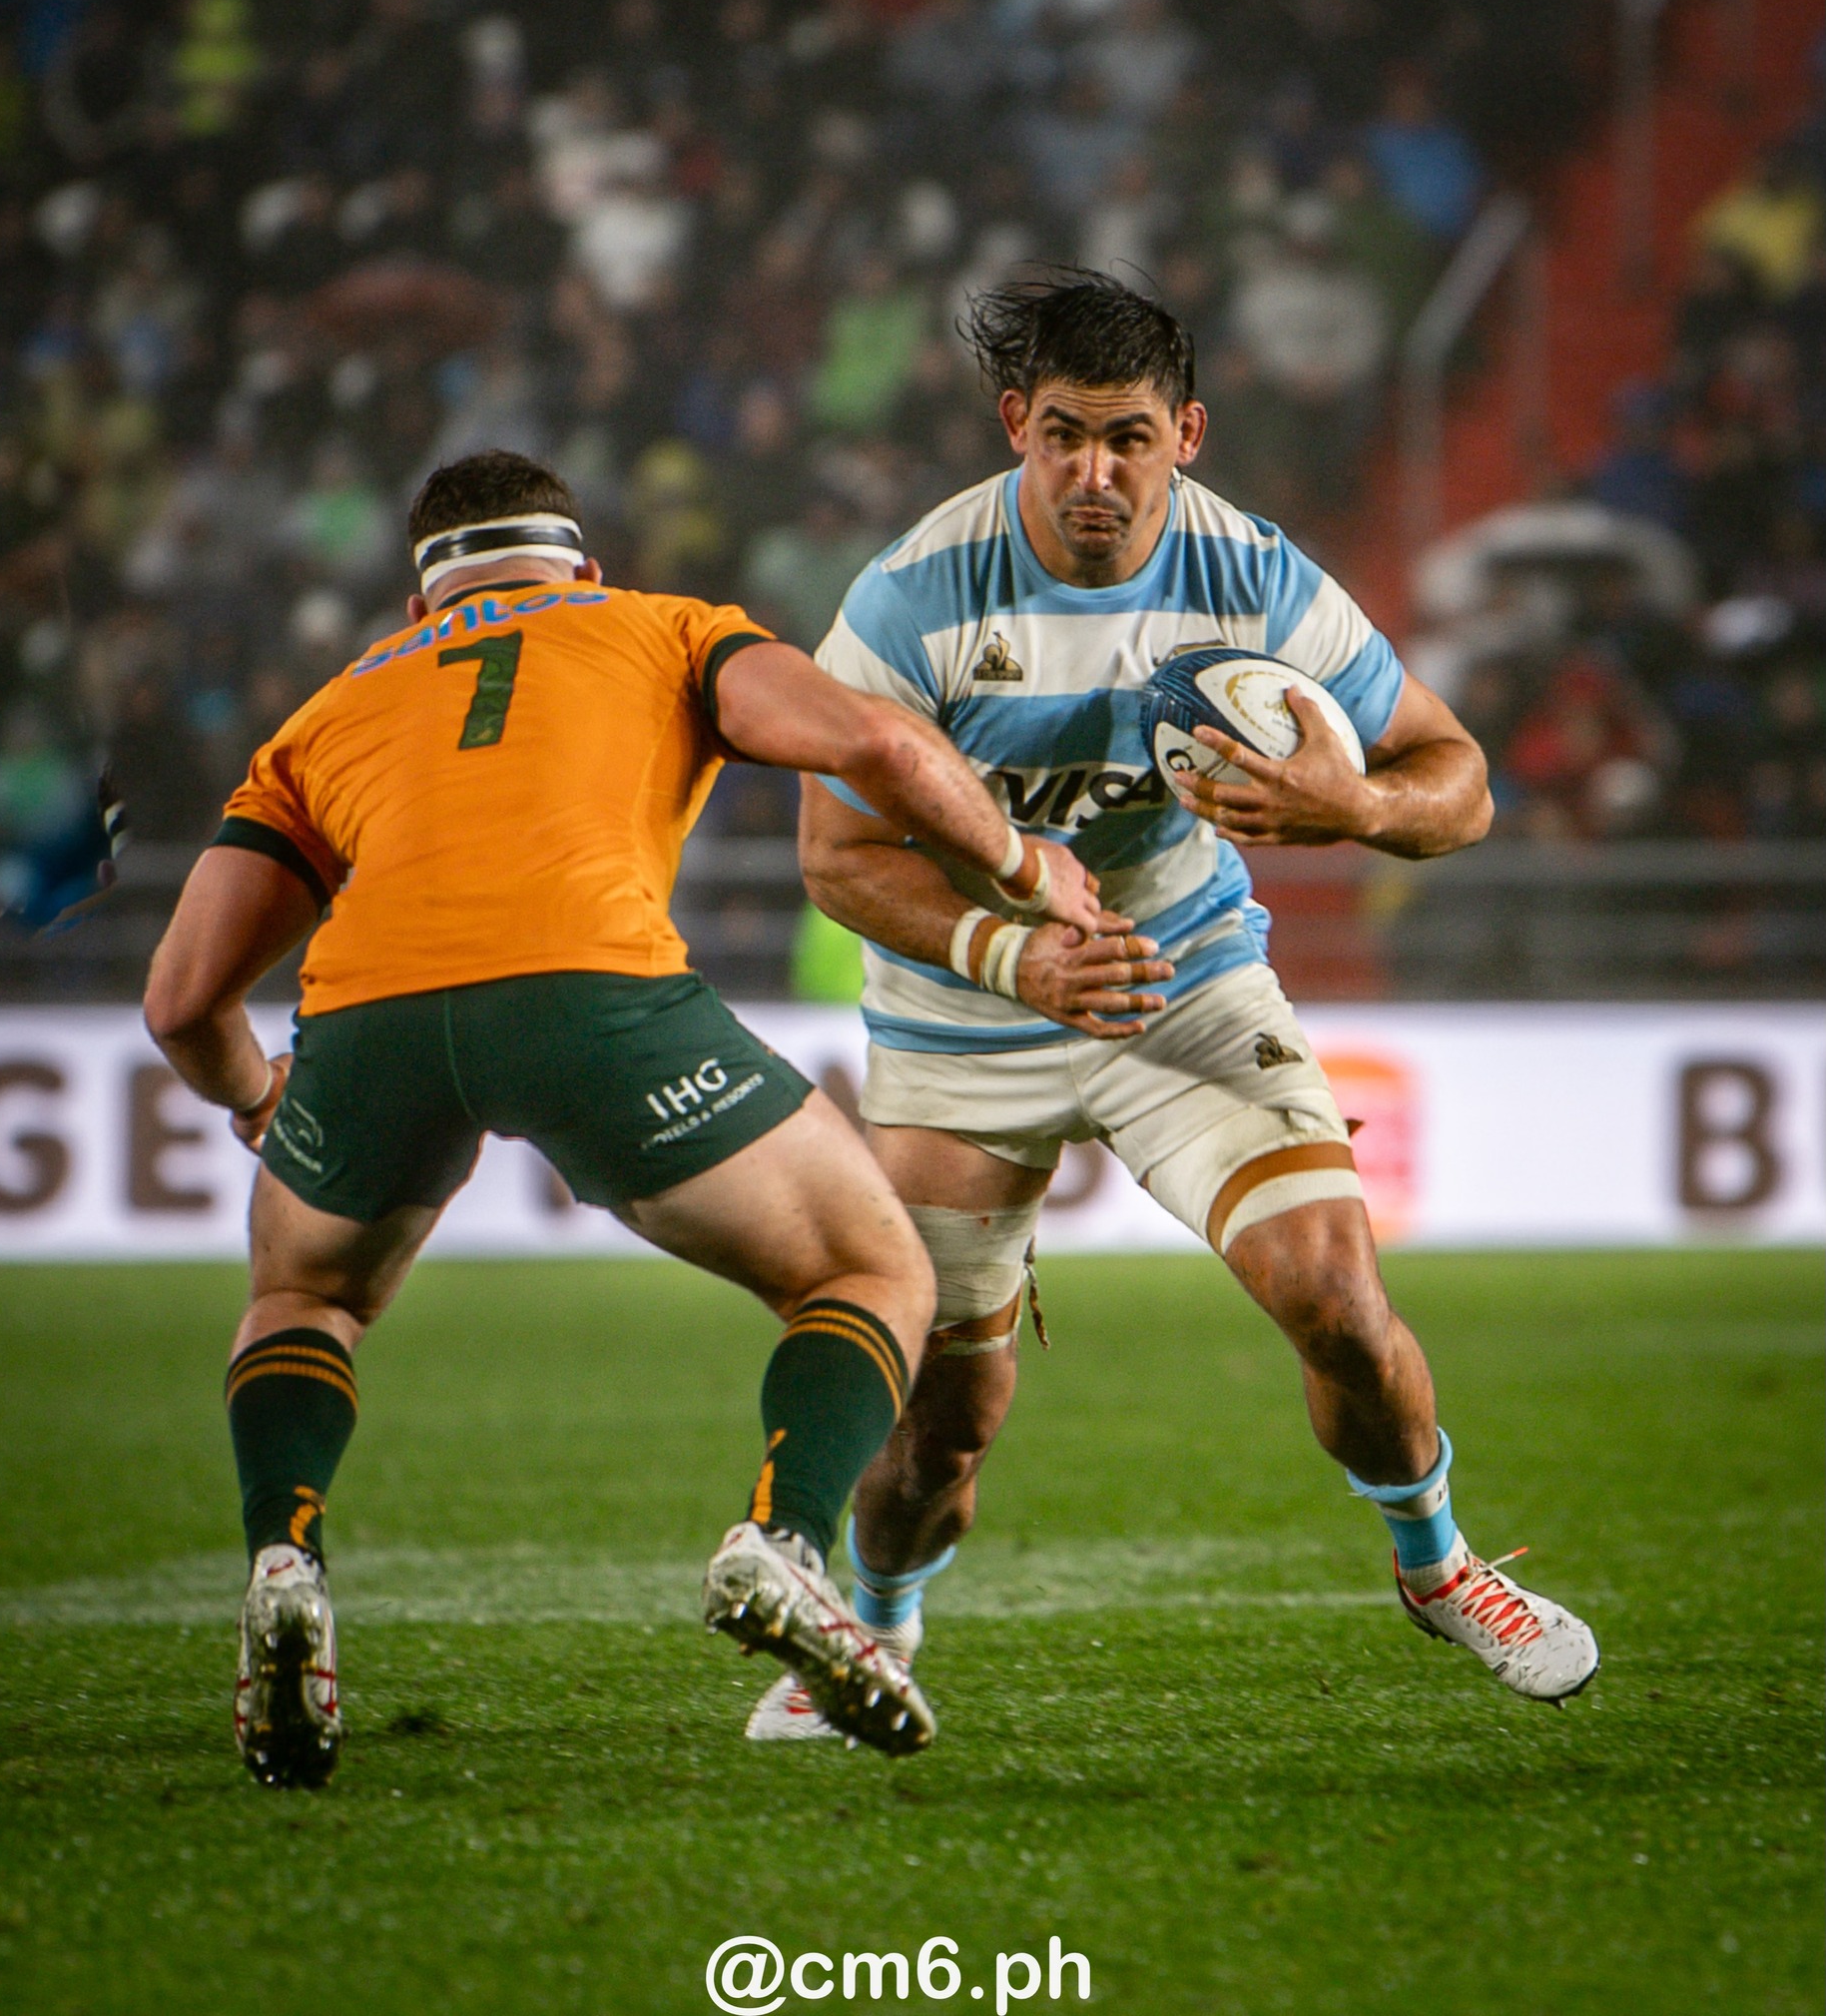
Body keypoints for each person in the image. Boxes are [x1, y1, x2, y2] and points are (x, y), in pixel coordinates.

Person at [143, 448, 1104, 1786]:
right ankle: (779, 1542)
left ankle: (285, 1559)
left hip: (365, 1017)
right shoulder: (661, 627)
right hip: (589, 994)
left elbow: (183, 998)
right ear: (577, 563)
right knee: (869, 1266)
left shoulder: (326, 711)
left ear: (426, 598)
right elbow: (876, 743)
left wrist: (261, 1098)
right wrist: (1020, 864)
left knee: (303, 1298)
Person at [752, 272, 1598, 1740]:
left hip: (1185, 984)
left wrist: (1358, 804)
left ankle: (1441, 1564)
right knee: (944, 1426)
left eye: (1130, 437)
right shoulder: (910, 596)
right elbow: (836, 858)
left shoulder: (1255, 575)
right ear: (1015, 425)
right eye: (1064, 434)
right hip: (968, 1017)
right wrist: (1018, 958)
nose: (1095, 471)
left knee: (1337, 1295)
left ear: (1188, 434)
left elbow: (1456, 783)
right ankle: (869, 1645)